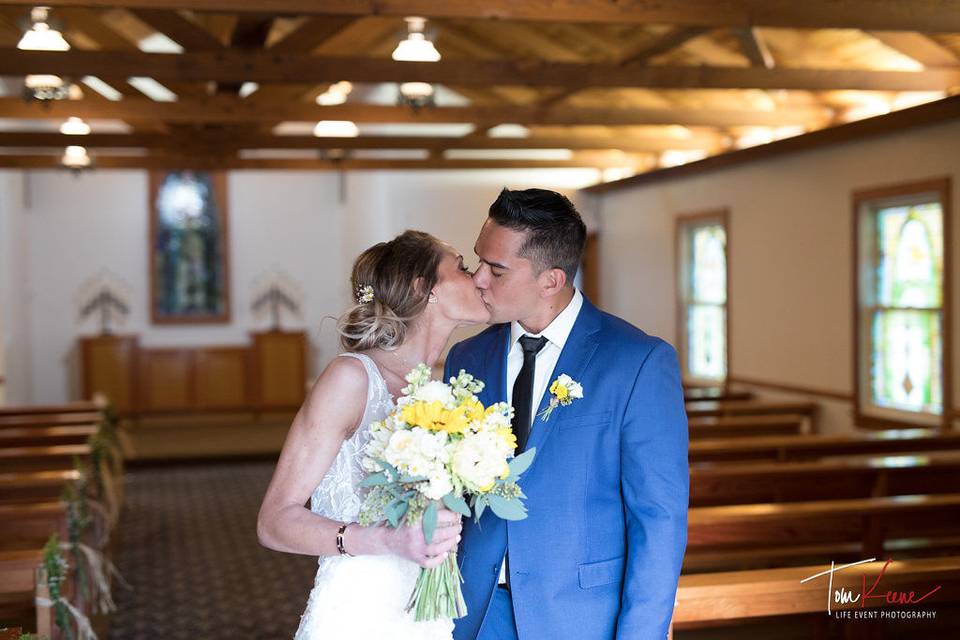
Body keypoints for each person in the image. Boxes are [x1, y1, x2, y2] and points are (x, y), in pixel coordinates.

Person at [445, 188, 689, 640]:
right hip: (475, 612)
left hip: (580, 617)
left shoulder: (637, 361)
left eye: (496, 269)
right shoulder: (466, 358)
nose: (477, 278)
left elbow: (659, 520)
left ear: (551, 280)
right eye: (479, 261)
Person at [257, 230, 489, 639]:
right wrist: (385, 540)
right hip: (359, 614)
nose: (479, 278)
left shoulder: (443, 390)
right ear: (425, 288)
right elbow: (274, 522)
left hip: (429, 614)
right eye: (463, 268)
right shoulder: (351, 379)